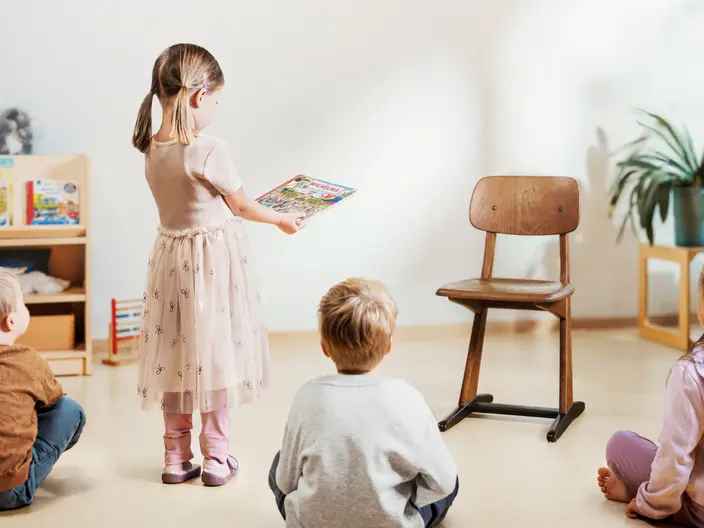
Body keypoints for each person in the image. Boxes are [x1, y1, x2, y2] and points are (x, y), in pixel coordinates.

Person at [131, 43, 306, 487]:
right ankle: (215, 459)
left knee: (176, 356)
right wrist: (282, 218)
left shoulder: (151, 147)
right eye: (216, 99)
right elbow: (242, 205)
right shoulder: (209, 149)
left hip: (171, 263)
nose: (216, 107)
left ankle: (175, 458)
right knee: (214, 354)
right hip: (211, 267)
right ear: (198, 95)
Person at [269, 278, 459, 527]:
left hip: (312, 523)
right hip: (392, 522)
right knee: (451, 481)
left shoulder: (307, 396)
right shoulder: (408, 398)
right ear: (388, 346)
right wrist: (407, 502)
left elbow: (285, 482)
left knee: (279, 462)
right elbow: (444, 482)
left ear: (325, 348)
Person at [597, 267, 704, 525]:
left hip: (699, 509)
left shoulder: (689, 373)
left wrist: (650, 505)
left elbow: (675, 456)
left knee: (620, 444)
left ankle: (642, 492)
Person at [0, 270, 85, 510]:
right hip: (8, 491)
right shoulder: (28, 361)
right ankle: (22, 469)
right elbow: (55, 400)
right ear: (11, 321)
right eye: (23, 304)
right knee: (69, 409)